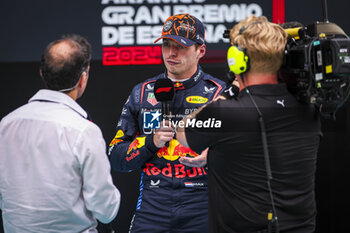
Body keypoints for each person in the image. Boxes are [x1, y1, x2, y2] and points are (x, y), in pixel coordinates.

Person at [177, 15, 322, 233]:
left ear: (237, 60)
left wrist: (231, 90)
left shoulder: (225, 113)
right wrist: (224, 151)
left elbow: (182, 132)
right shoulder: (309, 109)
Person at [108, 14, 225, 233]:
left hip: (203, 207)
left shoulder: (219, 94)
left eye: (181, 46)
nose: (171, 53)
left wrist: (214, 157)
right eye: (166, 44)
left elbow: (248, 154)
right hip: (153, 209)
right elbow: (116, 157)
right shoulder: (141, 93)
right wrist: (150, 142)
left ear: (201, 51)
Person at [0, 34, 121, 233]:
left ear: (42, 72)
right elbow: (106, 210)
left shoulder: (6, 124)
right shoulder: (84, 131)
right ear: (83, 79)